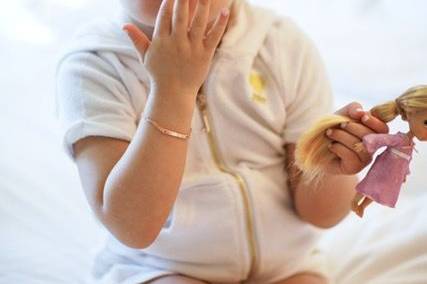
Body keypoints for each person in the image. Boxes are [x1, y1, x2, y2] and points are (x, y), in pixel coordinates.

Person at [54, 0, 388, 283]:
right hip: (161, 269)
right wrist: (173, 91)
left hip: (285, 266)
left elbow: (320, 214)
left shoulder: (282, 44)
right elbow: (132, 227)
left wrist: (330, 164)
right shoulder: (95, 65)